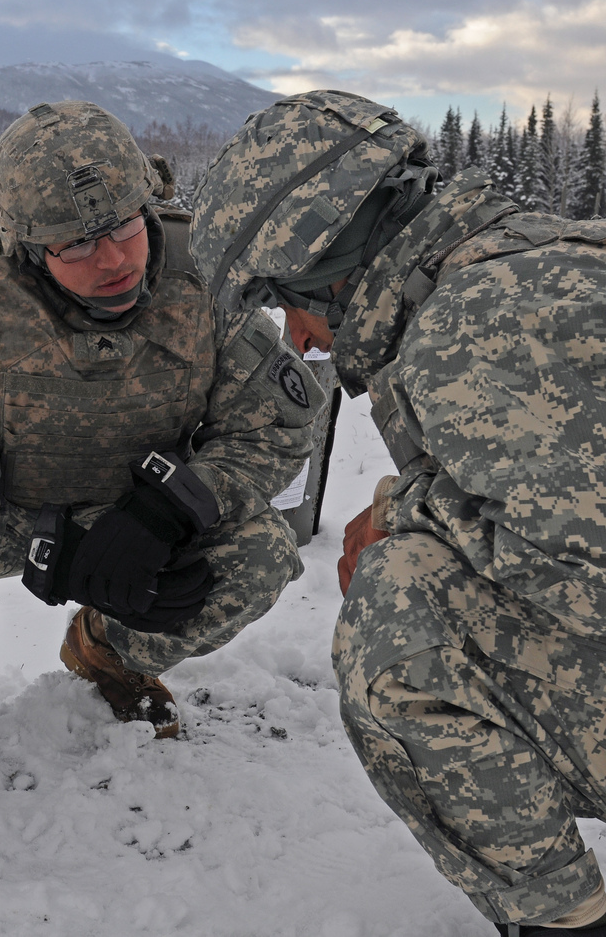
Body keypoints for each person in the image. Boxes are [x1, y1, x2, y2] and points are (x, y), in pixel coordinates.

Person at [189, 88, 606, 936]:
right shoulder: (526, 263)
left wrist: (403, 520)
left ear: (330, 265)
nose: (300, 339)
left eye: (287, 301)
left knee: (397, 616)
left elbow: (585, 577)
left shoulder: (471, 326)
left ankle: (564, 919)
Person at [0, 100, 325, 741]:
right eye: (76, 243)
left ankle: (107, 653)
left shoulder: (206, 284)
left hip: (141, 503)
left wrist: (169, 511)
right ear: (29, 250)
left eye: (127, 226)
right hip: (13, 519)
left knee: (260, 553)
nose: (114, 260)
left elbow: (273, 431)